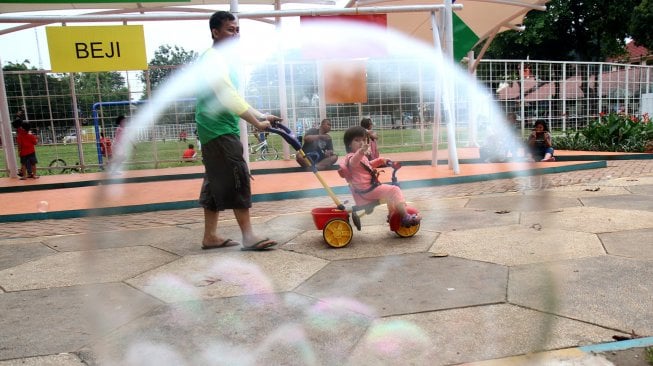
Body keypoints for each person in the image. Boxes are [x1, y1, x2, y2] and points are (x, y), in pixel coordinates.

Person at [194, 10, 282, 251]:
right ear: (215, 32)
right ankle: (249, 236)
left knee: (215, 181)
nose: (236, 34)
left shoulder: (223, 60)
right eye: (230, 30)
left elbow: (235, 97)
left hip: (217, 128)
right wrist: (255, 122)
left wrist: (262, 115)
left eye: (237, 30)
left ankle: (210, 236)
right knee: (238, 176)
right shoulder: (213, 58)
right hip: (218, 129)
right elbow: (226, 95)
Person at [339, 126, 420, 227]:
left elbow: (368, 165)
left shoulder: (360, 157)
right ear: (349, 144)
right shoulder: (351, 157)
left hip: (367, 189)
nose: (361, 143)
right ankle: (405, 217)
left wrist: (382, 160)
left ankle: (391, 215)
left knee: (390, 195)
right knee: (394, 190)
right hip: (367, 189)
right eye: (357, 140)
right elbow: (353, 163)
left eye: (363, 140)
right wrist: (361, 152)